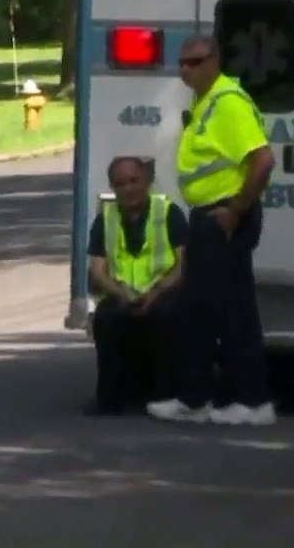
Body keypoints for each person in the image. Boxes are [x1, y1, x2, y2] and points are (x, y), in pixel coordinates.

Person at [147, 35, 278, 427]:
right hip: (210, 216)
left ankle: (251, 401)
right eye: (182, 63)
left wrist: (236, 209)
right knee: (203, 311)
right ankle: (199, 397)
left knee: (228, 313)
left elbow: (263, 160)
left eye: (196, 61)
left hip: (224, 218)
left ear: (215, 60)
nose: (187, 69)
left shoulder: (228, 103)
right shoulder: (206, 102)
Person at [84, 156, 188, 417]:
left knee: (167, 316)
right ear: (113, 188)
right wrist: (123, 294)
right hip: (124, 294)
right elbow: (97, 271)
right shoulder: (105, 219)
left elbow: (183, 267)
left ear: (147, 181)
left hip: (163, 292)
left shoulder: (168, 212)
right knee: (105, 318)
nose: (129, 188)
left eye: (134, 181)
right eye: (120, 184)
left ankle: (165, 396)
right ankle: (108, 400)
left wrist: (155, 293)